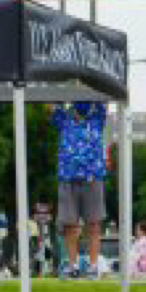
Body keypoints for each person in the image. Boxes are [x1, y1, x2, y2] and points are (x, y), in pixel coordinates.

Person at [52, 101, 108, 279]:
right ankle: (73, 265)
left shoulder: (97, 118)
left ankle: (93, 266)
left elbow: (103, 98)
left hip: (93, 176)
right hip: (68, 176)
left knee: (94, 224)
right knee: (70, 224)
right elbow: (54, 104)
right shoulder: (64, 120)